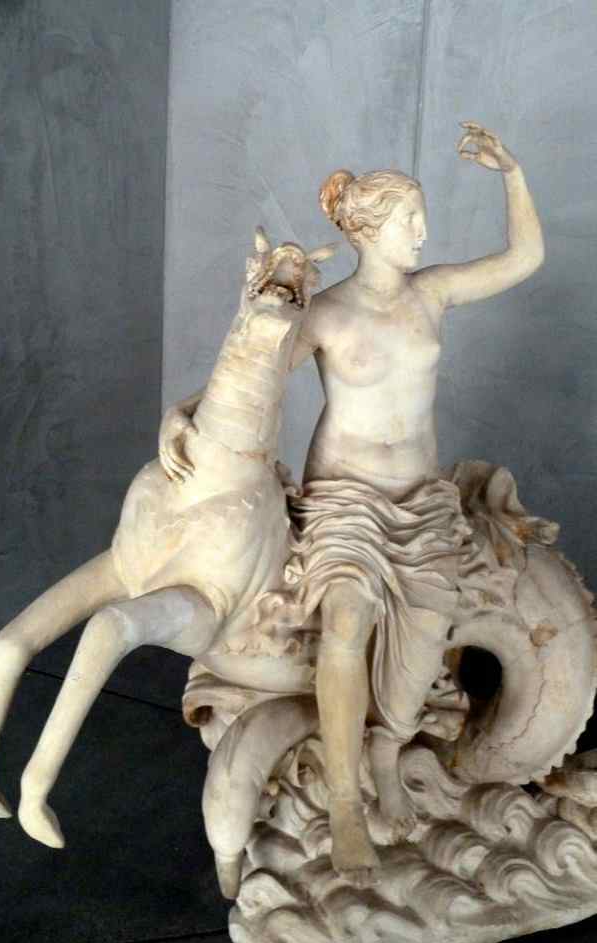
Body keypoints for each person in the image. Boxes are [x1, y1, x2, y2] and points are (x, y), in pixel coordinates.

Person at [160, 122, 545, 885]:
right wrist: (181, 412)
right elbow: (251, 378)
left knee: (422, 645)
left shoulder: (432, 292)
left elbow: (523, 258)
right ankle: (343, 805)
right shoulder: (326, 314)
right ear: (368, 229)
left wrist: (512, 174)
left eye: (422, 219)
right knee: (345, 621)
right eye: (410, 221)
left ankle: (383, 751)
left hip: (421, 503)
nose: (423, 233)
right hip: (346, 500)